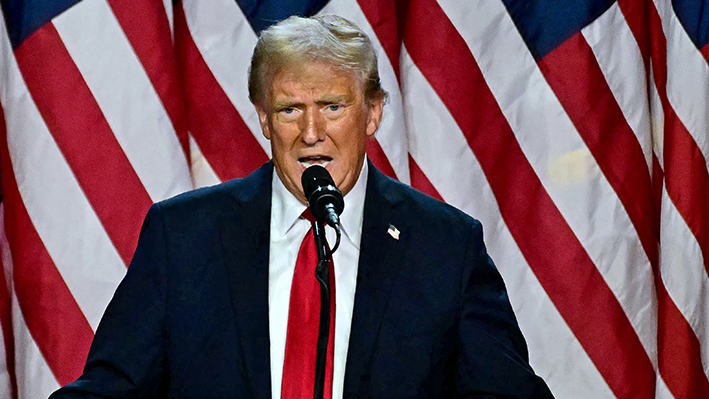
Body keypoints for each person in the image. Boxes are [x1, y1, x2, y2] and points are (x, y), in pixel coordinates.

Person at [51, 14, 553, 399]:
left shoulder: (445, 245)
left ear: (373, 112)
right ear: (265, 120)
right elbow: (111, 388)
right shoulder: (184, 235)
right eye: (291, 109)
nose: (311, 134)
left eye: (333, 106)